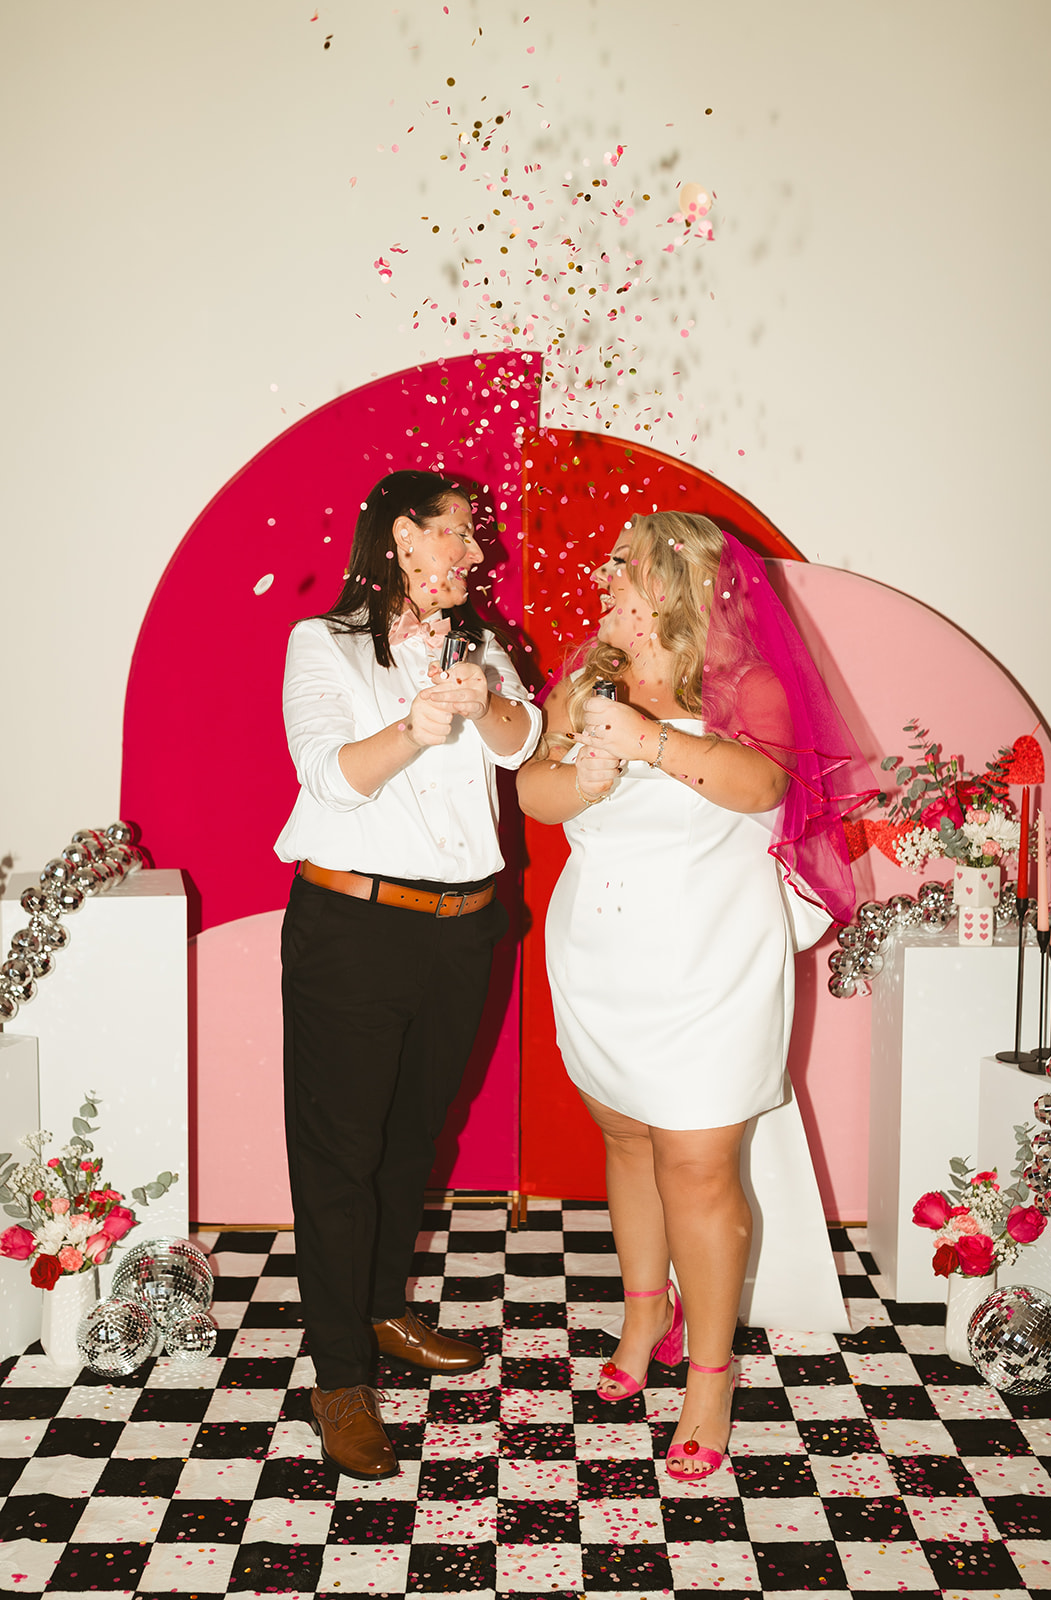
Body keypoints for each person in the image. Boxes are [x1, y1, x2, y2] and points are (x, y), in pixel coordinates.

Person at [516, 511, 865, 1481]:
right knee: (625, 1137)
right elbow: (532, 796)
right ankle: (642, 1317)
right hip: (599, 954)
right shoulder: (586, 675)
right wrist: (581, 774)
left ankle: (708, 1378)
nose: (601, 580)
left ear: (674, 581)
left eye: (620, 567)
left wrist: (644, 740)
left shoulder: (743, 684)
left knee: (700, 1166)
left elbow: (759, 784)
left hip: (712, 961)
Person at [275, 469, 540, 1481]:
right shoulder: (324, 644)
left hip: (461, 928)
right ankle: (338, 1375)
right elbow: (327, 777)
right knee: (339, 1155)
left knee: (411, 1136)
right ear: (400, 536)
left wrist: (485, 708)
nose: (478, 554)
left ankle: (383, 1308)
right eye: (460, 534)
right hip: (353, 924)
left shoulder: (482, 645)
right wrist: (416, 725)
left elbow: (530, 744)